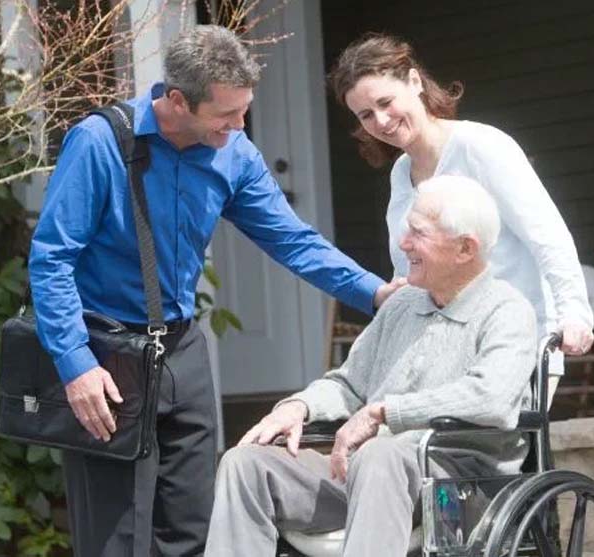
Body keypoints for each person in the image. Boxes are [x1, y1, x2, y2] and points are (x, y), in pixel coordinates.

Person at [28, 25, 400, 557]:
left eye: (243, 111)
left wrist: (376, 294)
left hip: (183, 354)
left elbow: (292, 240)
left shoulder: (234, 153)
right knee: (117, 538)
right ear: (176, 101)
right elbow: (52, 257)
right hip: (106, 356)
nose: (239, 124)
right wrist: (75, 363)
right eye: (226, 114)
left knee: (195, 529)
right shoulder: (100, 143)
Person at [204, 175, 538, 557]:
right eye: (406, 229)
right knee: (245, 464)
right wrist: (300, 406)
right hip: (366, 474)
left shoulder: (507, 310)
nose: (404, 242)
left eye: (419, 233)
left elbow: (491, 398)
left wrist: (385, 412)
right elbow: (349, 384)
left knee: (382, 455)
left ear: (465, 249)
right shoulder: (401, 305)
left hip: (456, 487)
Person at [329, 33, 594, 380]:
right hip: (440, 353)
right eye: (365, 115)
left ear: (413, 82)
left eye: (385, 102)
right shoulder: (401, 173)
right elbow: (409, 268)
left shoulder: (480, 146)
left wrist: (575, 313)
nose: (380, 121)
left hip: (510, 348)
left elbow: (548, 236)